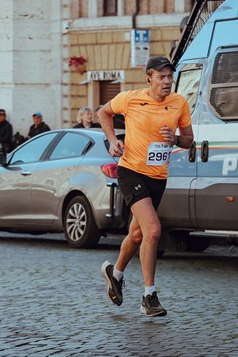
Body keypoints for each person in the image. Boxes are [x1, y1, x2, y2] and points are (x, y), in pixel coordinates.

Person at [98, 56, 193, 317]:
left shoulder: (179, 103)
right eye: (161, 77)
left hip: (158, 177)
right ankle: (149, 297)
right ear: (148, 77)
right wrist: (111, 140)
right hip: (131, 172)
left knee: (138, 235)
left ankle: (114, 273)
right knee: (153, 231)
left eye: (170, 77)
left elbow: (188, 140)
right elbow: (102, 112)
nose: (167, 82)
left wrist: (174, 138)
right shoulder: (131, 98)